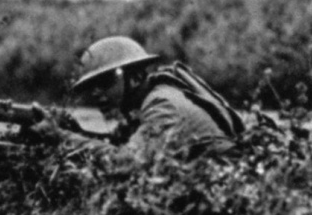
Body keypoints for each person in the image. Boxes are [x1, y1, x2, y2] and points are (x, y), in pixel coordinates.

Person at [69, 36, 243, 158]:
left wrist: (64, 139)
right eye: (92, 87)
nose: (97, 93)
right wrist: (76, 132)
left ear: (136, 77)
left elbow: (126, 162)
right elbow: (120, 144)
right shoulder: (148, 102)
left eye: (105, 83)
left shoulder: (162, 105)